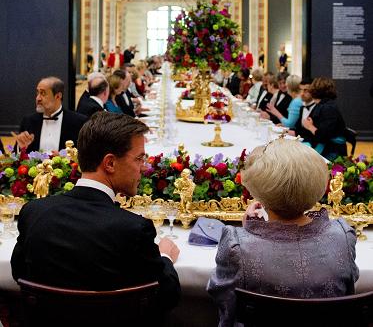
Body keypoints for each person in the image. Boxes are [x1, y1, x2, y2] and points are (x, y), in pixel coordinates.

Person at [12, 112, 181, 313]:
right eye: (139, 159)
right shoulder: (133, 229)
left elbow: (19, 274)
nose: (143, 168)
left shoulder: (33, 213)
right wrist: (165, 256)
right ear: (109, 163)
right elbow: (168, 295)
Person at [208, 139, 359, 327]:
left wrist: (248, 234)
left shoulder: (236, 246)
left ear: (259, 192)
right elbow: (347, 297)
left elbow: (225, 306)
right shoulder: (343, 236)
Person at [16, 77, 87, 153]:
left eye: (43, 93)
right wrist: (20, 148)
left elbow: (85, 154)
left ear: (58, 96)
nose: (38, 98)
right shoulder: (28, 121)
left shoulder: (78, 122)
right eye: (37, 93)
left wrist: (66, 158)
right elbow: (16, 156)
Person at [301, 77, 347, 159]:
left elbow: (324, 136)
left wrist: (310, 127)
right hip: (326, 147)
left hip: (332, 152)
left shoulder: (328, 108)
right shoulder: (323, 105)